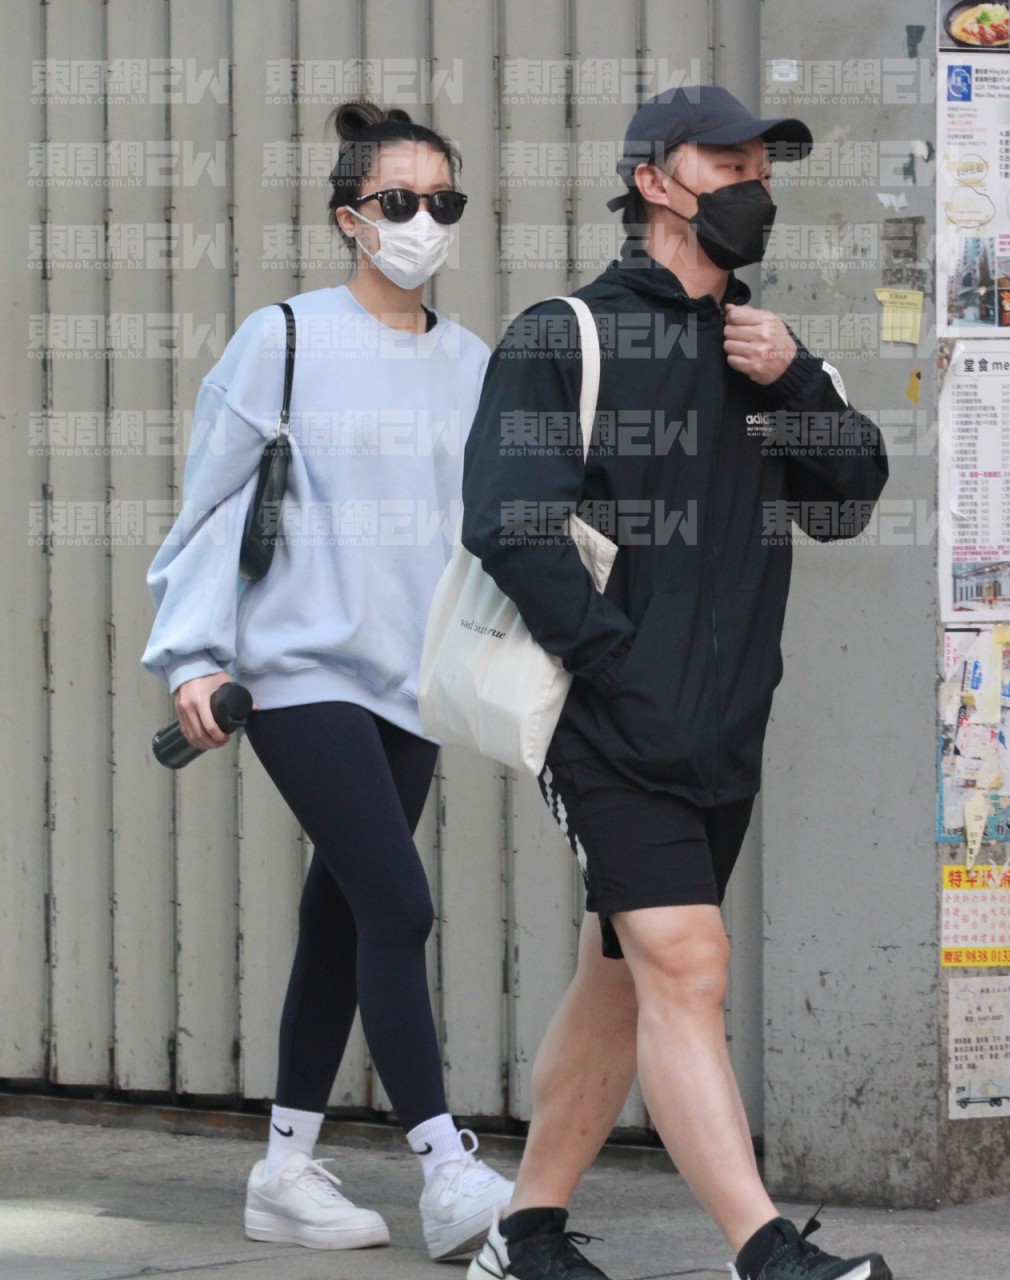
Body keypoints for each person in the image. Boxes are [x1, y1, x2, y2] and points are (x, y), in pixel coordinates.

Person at [458, 86, 891, 1280]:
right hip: (605, 722)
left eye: (765, 167)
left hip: (725, 728)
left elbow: (851, 498)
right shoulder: (563, 337)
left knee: (621, 979)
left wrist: (796, 382)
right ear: (654, 180)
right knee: (689, 963)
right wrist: (612, 659)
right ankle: (767, 1252)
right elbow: (506, 521)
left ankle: (523, 1233)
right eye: (729, 163)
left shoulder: (766, 349)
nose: (755, 186)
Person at [142, 100, 511, 1260]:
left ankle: (286, 1173)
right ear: (350, 216)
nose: (422, 221)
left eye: (443, 201)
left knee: (342, 912)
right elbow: (211, 505)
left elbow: (487, 529)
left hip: (414, 679)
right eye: (399, 201)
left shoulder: (471, 365)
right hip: (296, 669)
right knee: (397, 904)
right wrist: (193, 653)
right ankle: (446, 1168)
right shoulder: (285, 337)